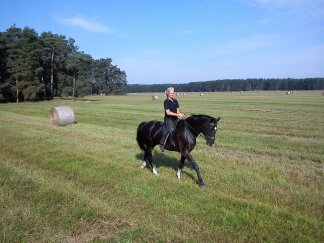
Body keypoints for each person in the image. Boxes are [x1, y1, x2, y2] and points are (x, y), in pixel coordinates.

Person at [159, 87, 184, 152]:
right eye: (171, 93)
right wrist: (178, 115)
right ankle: (162, 144)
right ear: (167, 93)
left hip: (175, 118)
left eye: (173, 93)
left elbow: (177, 111)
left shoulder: (175, 101)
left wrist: (182, 115)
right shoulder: (166, 101)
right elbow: (168, 112)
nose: (173, 94)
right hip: (169, 119)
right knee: (170, 130)